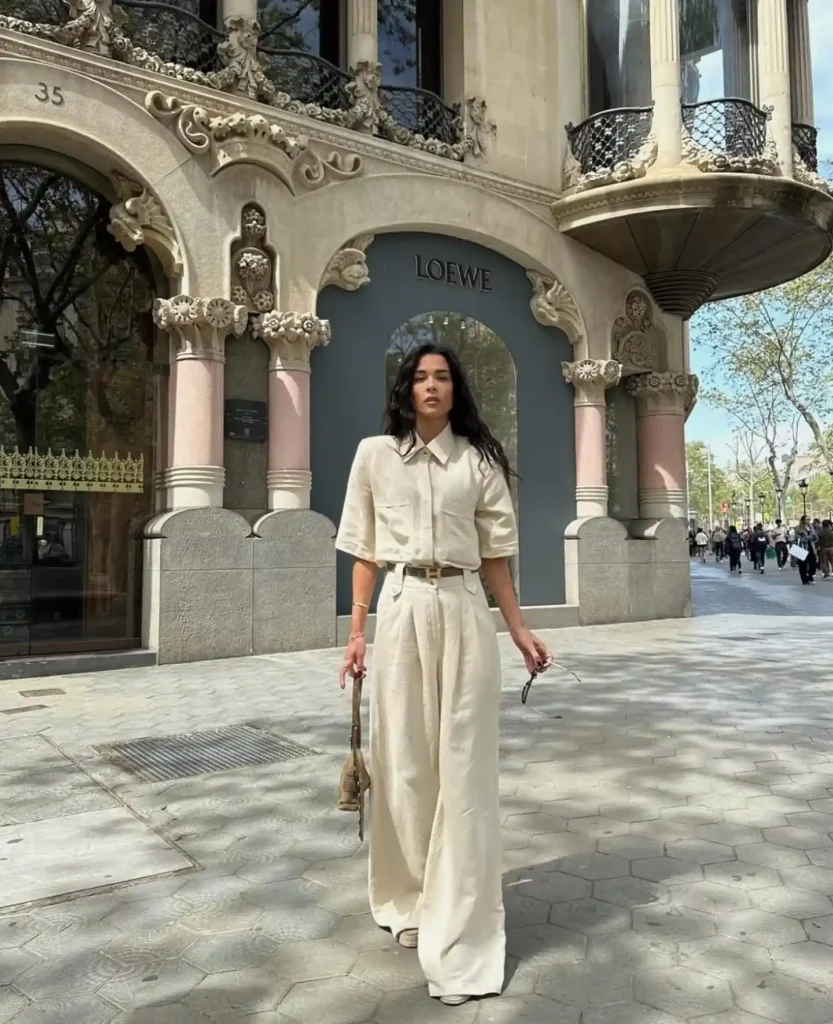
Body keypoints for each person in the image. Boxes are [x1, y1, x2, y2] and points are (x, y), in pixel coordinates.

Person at [336, 342, 552, 1006]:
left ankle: (459, 928)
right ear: (406, 389)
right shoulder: (374, 456)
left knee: (464, 768)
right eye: (421, 377)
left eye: (443, 378)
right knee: (402, 764)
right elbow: (365, 553)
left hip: (463, 611)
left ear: (456, 391)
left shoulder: (479, 462)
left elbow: (494, 560)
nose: (431, 386)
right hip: (399, 610)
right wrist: (354, 633)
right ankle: (407, 896)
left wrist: (517, 629)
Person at [794, 515, 818, 585]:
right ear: (803, 520)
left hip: (811, 547)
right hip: (802, 547)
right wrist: (807, 538)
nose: (809, 520)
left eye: (809, 519)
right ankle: (804, 579)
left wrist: (814, 538)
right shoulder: (798, 528)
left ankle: (810, 576)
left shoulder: (811, 527)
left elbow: (816, 536)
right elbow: (797, 538)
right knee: (802, 564)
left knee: (813, 563)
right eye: (807, 519)